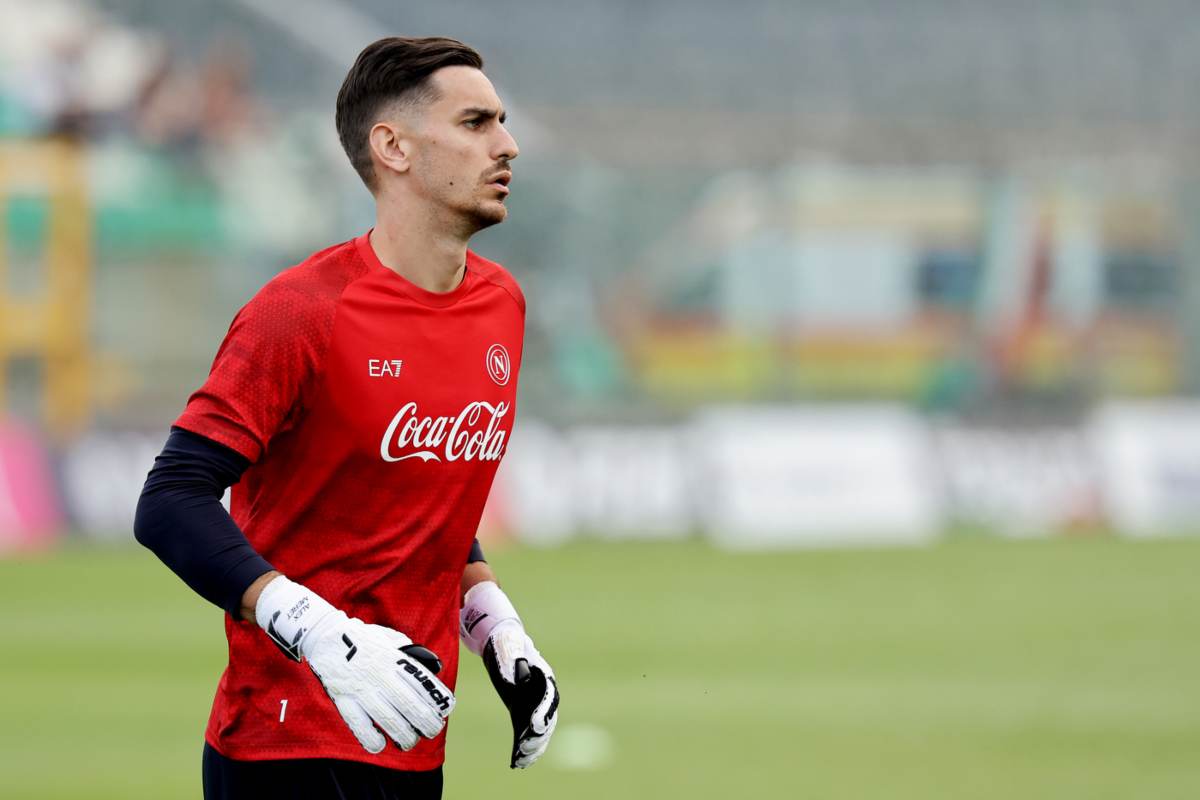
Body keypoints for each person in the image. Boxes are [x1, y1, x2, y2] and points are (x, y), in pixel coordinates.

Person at [134, 36, 559, 800]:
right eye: (476, 123)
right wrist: (317, 631)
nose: (508, 144)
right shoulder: (300, 312)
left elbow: (418, 495)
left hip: (410, 737)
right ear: (393, 147)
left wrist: (494, 624)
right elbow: (170, 501)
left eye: (500, 121)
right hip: (285, 746)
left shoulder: (503, 304)